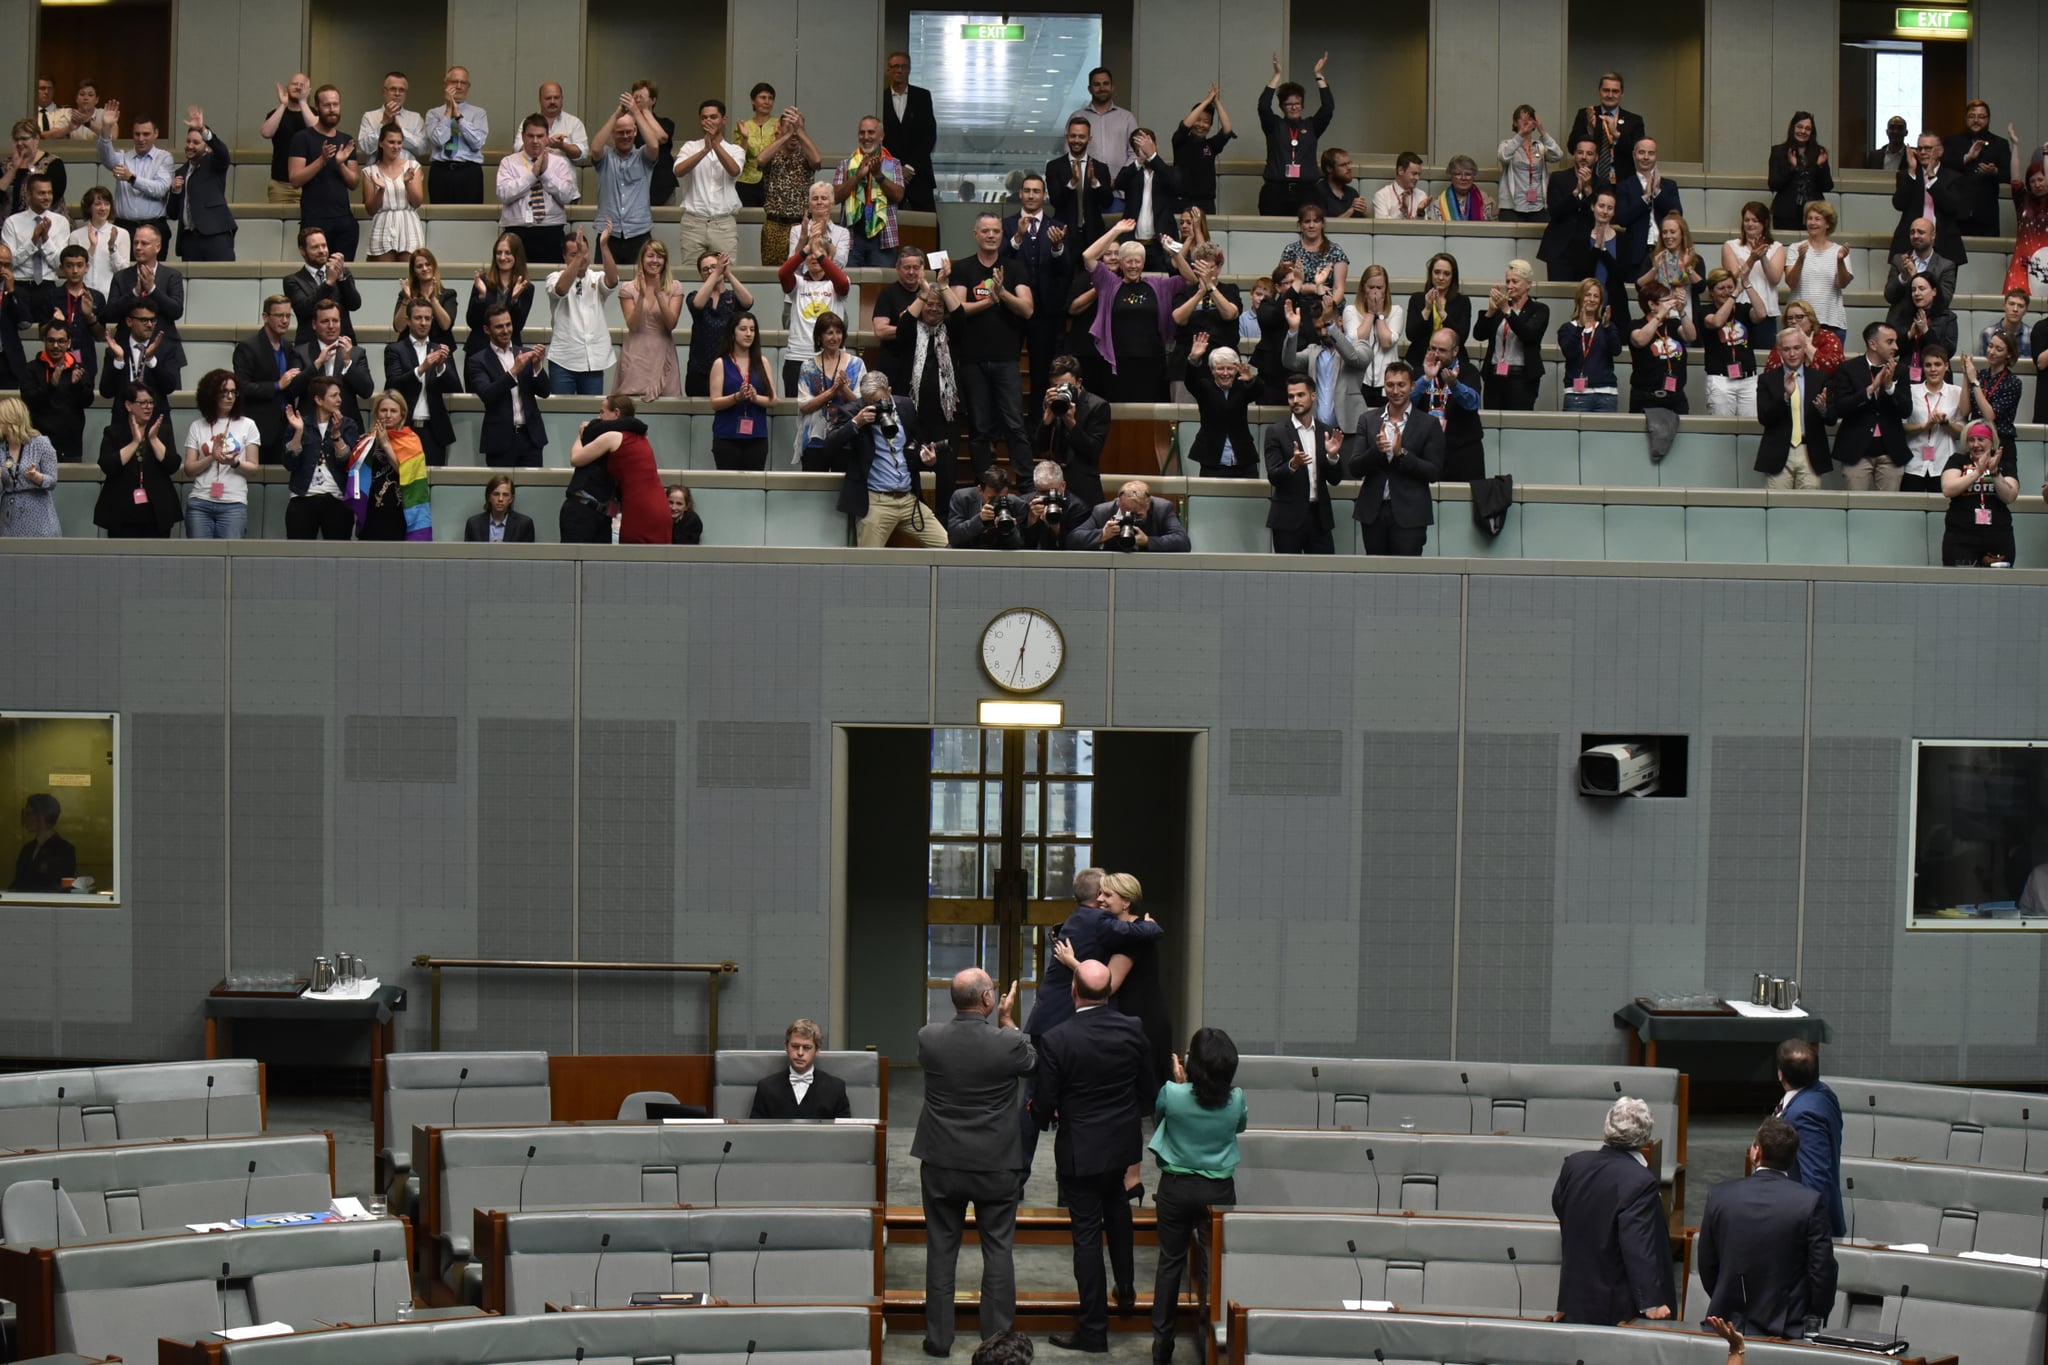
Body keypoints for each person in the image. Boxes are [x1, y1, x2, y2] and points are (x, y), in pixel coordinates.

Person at [1031, 958, 1156, 1355]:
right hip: (1120, 1145)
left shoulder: (1057, 1038)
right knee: (1118, 1211)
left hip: (1080, 1150)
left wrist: (1038, 1114)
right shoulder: (1133, 1029)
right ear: (1106, 993)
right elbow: (1148, 1090)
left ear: (1074, 991)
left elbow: (1045, 1102)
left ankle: (1093, 1330)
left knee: (1086, 1236)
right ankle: (1128, 1288)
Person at [914, 968, 1034, 1358]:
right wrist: (1008, 1021)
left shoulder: (928, 1038)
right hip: (996, 1164)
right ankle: (998, 1345)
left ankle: (938, 1340)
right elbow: (1030, 1062)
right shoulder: (1009, 1042)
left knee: (941, 1250)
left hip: (942, 1162)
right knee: (998, 1250)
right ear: (987, 1000)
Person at [1147, 1027, 1246, 1364]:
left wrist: (1179, 1083)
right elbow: (1240, 1127)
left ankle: (1162, 1344)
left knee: (1169, 1264)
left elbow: (1160, 1117)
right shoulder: (1237, 1099)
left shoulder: (1172, 1093)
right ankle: (1208, 1337)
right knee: (1212, 1267)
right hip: (1217, 1190)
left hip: (1175, 1187)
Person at [1697, 1116, 1837, 1339]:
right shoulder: (1810, 1203)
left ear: (1756, 1152)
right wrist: (1812, 1318)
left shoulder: (1720, 1196)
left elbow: (1707, 1264)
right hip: (1787, 1329)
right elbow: (1822, 1272)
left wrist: (1729, 1302)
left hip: (1726, 1326)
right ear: (1792, 1159)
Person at [1551, 1096, 1675, 1326]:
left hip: (1574, 1295)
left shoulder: (1574, 1165)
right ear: (1645, 1137)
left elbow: (1560, 1206)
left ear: (1607, 1127)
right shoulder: (1640, 1181)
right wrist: (1651, 1302)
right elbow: (1638, 1243)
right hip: (1614, 1309)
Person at [826, 370, 947, 548]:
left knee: (946, 546)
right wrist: (856, 423)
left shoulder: (905, 405)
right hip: (876, 502)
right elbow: (829, 445)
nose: (874, 407)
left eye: (878, 401)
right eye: (868, 402)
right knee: (869, 563)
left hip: (908, 500)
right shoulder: (853, 411)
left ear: (889, 391)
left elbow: (916, 443)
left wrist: (926, 460)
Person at [1345, 360, 1440, 556]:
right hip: (1373, 512)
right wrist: (1376, 451)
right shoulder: (1368, 420)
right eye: (1390, 385)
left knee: (1406, 577)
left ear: (1412, 386)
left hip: (1410, 513)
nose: (1395, 390)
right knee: (1375, 576)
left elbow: (1433, 472)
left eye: (1401, 385)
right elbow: (1354, 468)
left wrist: (1402, 454)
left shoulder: (1428, 424)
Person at [1080, 220, 1178, 403]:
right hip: (1118, 362)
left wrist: (1175, 254)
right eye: (1129, 261)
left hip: (1152, 361)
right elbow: (1088, 256)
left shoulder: (1157, 285)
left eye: (1137, 261)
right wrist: (1116, 230)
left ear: (1144, 263)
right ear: (1121, 263)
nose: (1133, 265)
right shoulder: (1109, 283)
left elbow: (1188, 279)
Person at [1000, 175, 1073, 413]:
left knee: (1042, 371)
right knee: (1007, 370)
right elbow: (997, 261)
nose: (1031, 195)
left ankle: (1040, 424)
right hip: (1011, 310)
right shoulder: (1007, 225)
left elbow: (1066, 269)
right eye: (1027, 191)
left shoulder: (1057, 226)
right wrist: (1017, 239)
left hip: (1045, 311)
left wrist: (1057, 247)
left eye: (1036, 191)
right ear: (1020, 194)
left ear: (1044, 196)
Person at [1261, 372, 1342, 554]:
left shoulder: (1327, 432)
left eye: (1300, 395)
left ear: (1313, 396)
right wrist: (1293, 464)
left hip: (1320, 518)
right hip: (1287, 519)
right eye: (1291, 396)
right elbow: (1274, 476)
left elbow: (1336, 480)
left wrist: (1332, 457)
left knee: (1324, 574)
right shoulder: (1276, 432)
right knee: (1287, 577)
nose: (1295, 400)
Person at [1772, 1040, 1846, 1236]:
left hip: (1807, 1231)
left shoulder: (1804, 1114)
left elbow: (1816, 1179)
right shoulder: (1823, 1093)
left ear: (1781, 1074)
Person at [464, 303, 549, 468]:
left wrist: (538, 367)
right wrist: (514, 371)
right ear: (487, 330)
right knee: (500, 492)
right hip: (500, 441)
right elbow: (487, 394)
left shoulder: (525, 353)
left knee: (531, 488)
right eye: (499, 327)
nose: (505, 330)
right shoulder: (477, 361)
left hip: (531, 438)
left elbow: (545, 392)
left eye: (508, 325)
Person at [1828, 322, 1909, 493]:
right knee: (1856, 507)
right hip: (1856, 452)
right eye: (1890, 342)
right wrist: (1871, 389)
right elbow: (1840, 407)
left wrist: (1889, 388)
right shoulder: (1848, 369)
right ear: (1873, 344)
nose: (1895, 346)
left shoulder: (1901, 371)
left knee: (1889, 507)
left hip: (1890, 452)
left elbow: (1906, 410)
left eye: (1895, 341)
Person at [780, 212, 853, 397]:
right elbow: (783, 273)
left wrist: (820, 254)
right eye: (810, 255)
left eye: (819, 255)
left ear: (827, 258)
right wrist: (805, 249)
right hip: (798, 356)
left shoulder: (836, 284)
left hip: (832, 356)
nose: (814, 257)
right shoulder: (798, 283)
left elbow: (843, 283)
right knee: (796, 411)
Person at [591, 93, 665, 272]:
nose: (625, 136)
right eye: (620, 132)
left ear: (635, 131)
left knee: (641, 284)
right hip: (608, 234)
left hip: (638, 232)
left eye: (629, 132)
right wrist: (616, 115)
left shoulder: (643, 157)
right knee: (603, 284)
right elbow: (595, 148)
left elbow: (655, 145)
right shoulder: (605, 157)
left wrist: (635, 112)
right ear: (613, 134)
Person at [180, 369, 258, 539]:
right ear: (211, 394)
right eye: (224, 392)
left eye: (233, 392)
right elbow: (189, 469)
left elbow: (253, 468)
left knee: (229, 560)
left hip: (233, 504)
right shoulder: (197, 426)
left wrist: (234, 463)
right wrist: (210, 458)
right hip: (200, 502)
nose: (230, 397)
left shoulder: (248, 425)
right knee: (200, 560)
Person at [288, 85, 362, 262]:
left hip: (344, 220)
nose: (332, 110)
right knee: (317, 276)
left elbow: (354, 183)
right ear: (317, 106)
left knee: (343, 275)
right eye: (327, 105)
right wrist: (322, 160)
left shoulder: (346, 140)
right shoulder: (302, 138)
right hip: (314, 220)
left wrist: (340, 164)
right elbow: (295, 179)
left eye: (335, 105)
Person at [96, 381, 178, 537]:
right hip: (122, 510)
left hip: (156, 510)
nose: (148, 407)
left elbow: (172, 465)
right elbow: (108, 465)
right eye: (142, 403)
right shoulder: (114, 432)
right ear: (128, 405)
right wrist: (135, 442)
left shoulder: (162, 431)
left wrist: (153, 439)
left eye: (151, 403)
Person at [1281, 293, 1369, 437]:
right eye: (1318, 328)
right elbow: (1289, 362)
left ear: (1340, 321)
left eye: (1326, 325)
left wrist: (1331, 327)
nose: (1323, 332)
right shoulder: (1314, 351)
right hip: (1318, 431)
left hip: (1350, 430)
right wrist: (1293, 331)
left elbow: (1353, 358)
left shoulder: (1359, 345)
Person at [1755, 328, 1833, 490]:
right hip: (1779, 452)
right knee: (1777, 507)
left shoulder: (1820, 379)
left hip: (1810, 453)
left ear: (1805, 348)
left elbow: (1831, 419)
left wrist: (1823, 409)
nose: (1792, 354)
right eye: (1786, 349)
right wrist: (1784, 397)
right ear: (1779, 351)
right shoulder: (1767, 380)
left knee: (1810, 508)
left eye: (1797, 348)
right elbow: (1764, 417)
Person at [384, 298, 459, 468]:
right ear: (408, 321)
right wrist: (422, 368)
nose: (423, 323)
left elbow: (456, 387)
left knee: (431, 483)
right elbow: (393, 384)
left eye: (427, 318)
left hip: (434, 431)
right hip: (404, 427)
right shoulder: (395, 350)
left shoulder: (441, 349)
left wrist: (441, 368)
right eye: (418, 318)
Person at [1256, 52, 1333, 217]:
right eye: (1288, 104)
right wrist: (1277, 75)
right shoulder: (1274, 125)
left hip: (1307, 192)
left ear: (1302, 105)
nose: (1293, 107)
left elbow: (1328, 108)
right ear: (1282, 107)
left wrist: (1319, 75)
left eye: (1297, 103)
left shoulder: (1311, 126)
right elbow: (1263, 106)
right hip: (1276, 191)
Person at [543, 228, 618, 395]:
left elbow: (612, 281)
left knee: (592, 414)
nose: (582, 257)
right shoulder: (554, 277)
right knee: (562, 410)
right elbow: (561, 289)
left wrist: (604, 246)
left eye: (584, 252)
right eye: (574, 253)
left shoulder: (596, 277)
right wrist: (578, 257)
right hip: (563, 360)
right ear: (564, 257)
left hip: (594, 360)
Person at [280, 376, 356, 539]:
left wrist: (336, 435)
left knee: (338, 556)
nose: (339, 400)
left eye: (339, 395)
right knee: (298, 554)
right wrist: (299, 432)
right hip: (303, 496)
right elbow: (289, 463)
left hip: (337, 497)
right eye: (333, 396)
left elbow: (347, 462)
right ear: (319, 400)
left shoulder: (348, 425)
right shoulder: (300, 423)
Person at [497, 114, 578, 266]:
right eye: (530, 136)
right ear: (523, 137)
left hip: (551, 230)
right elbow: (503, 194)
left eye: (540, 136)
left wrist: (545, 174)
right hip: (517, 230)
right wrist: (532, 175)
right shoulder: (509, 162)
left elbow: (568, 196)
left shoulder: (559, 163)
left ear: (547, 137)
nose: (535, 141)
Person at [672, 99, 744, 266]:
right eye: (704, 118)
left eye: (713, 117)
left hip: (723, 224)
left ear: (723, 120)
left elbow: (734, 170)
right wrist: (705, 149)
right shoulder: (690, 147)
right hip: (693, 223)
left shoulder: (735, 150)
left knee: (726, 274)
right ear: (700, 120)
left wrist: (714, 144)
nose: (709, 121)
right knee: (691, 274)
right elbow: (678, 170)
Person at [232, 294, 301, 463]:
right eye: (279, 315)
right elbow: (242, 388)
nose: (285, 320)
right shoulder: (248, 348)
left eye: (288, 316)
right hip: (259, 428)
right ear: (265, 317)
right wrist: (277, 385)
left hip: (285, 427)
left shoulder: (288, 347)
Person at [1035, 356, 1110, 509]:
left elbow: (1093, 451)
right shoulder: (1050, 402)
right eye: (1056, 387)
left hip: (1084, 487)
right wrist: (1047, 420)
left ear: (1079, 383)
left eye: (1066, 386)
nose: (1061, 391)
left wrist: (1071, 423)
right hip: (1054, 485)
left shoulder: (1098, 406)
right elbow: (1039, 447)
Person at [95, 102, 173, 248]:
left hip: (154, 226)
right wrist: (106, 127)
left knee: (153, 271)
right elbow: (105, 158)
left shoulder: (164, 157)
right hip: (125, 226)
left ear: (156, 133)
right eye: (137, 134)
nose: (141, 138)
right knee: (124, 269)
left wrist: (132, 178)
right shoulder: (123, 158)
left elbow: (161, 189)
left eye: (146, 134)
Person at [832, 116, 905, 269]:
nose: (866, 137)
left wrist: (878, 175)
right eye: (862, 133)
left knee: (879, 288)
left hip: (882, 240)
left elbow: (898, 196)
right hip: (852, 239)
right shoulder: (846, 164)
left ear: (881, 136)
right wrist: (857, 177)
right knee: (849, 286)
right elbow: (835, 197)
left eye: (871, 132)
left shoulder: (893, 164)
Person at [290, 297, 375, 430]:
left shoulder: (356, 353)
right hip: (309, 430)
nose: (331, 326)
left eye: (335, 321)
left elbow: (367, 391)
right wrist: (317, 364)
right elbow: (292, 390)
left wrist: (348, 362)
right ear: (314, 324)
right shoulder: (300, 352)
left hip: (347, 429)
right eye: (325, 321)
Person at [1943, 421, 2018, 567]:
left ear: (1991, 442)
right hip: (1961, 537)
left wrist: (1995, 472)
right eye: (1971, 440)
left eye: (1981, 439)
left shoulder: (2004, 464)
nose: (1976, 445)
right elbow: (1948, 489)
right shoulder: (1957, 461)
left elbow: (2010, 496)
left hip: (1997, 536)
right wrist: (1978, 471)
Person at [744, 1017, 851, 1119]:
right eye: (795, 1046)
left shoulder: (836, 1088)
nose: (800, 1053)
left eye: (807, 1048)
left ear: (817, 1050)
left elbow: (845, 1133)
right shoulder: (766, 1088)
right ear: (786, 1046)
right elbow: (756, 1132)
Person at [616, 241, 682, 403]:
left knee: (667, 404)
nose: (655, 260)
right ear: (642, 259)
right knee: (630, 405)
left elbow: (671, 324)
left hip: (662, 352)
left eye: (660, 257)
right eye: (650, 256)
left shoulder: (674, 287)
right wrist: (642, 297)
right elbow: (633, 325)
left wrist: (659, 294)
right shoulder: (628, 288)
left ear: (665, 261)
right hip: (636, 352)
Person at [347, 391, 418, 541]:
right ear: (376, 413)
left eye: (393, 411)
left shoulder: (411, 440)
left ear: (402, 414)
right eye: (383, 410)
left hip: (401, 513)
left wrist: (386, 444)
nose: (388, 415)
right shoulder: (365, 442)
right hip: (371, 513)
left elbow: (406, 473)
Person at [795, 310, 861, 471]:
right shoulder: (808, 366)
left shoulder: (856, 363)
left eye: (838, 332)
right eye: (829, 333)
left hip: (846, 439)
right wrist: (832, 391)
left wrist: (844, 389)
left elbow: (861, 404)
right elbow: (804, 406)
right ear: (819, 337)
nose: (834, 337)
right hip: (815, 440)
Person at [1183, 335, 1257, 479]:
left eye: (1230, 368)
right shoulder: (1205, 388)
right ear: (1212, 371)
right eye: (1220, 368)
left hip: (1244, 460)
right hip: (1212, 460)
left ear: (1236, 370)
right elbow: (1190, 381)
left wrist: (1252, 380)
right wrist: (1193, 358)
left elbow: (1259, 392)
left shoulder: (1242, 387)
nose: (1225, 373)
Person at [757, 105, 823, 267]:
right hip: (774, 225)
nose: (793, 133)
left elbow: (817, 161)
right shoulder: (773, 153)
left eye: (798, 127)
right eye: (789, 126)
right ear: (778, 127)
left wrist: (799, 131)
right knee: (773, 273)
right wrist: (785, 136)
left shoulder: (805, 153)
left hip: (801, 225)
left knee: (801, 270)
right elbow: (760, 160)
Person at [1416, 326, 1485, 481]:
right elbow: (1406, 402)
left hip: (1463, 450)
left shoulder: (1468, 371)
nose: (1436, 354)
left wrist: (1455, 385)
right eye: (1432, 348)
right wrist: (1426, 379)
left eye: (1442, 350)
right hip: (1427, 448)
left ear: (1455, 351)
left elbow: (1472, 403)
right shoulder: (1421, 372)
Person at [1892, 132, 1970, 267]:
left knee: (1942, 288)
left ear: (1940, 151)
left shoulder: (1954, 177)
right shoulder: (1907, 175)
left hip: (1944, 244)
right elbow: (1899, 204)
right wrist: (1911, 171)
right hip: (1910, 243)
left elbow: (1954, 208)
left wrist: (1932, 178)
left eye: (1928, 148)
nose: (1922, 152)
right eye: (1919, 148)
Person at [1479, 261, 1549, 410]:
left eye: (1515, 281)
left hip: (1521, 379)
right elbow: (1479, 334)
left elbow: (1528, 335)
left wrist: (1506, 310)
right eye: (1507, 281)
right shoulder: (1499, 309)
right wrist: (1490, 311)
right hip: (1494, 376)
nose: (1509, 286)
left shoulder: (1539, 309)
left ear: (1528, 284)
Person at [708, 310, 773, 470]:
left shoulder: (762, 362)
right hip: (727, 436)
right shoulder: (720, 363)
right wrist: (737, 397)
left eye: (752, 329)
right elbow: (715, 402)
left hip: (757, 436)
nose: (748, 334)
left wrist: (754, 397)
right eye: (743, 329)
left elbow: (773, 400)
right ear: (732, 333)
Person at [171, 107, 236, 263]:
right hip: (189, 240)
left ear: (206, 146)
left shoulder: (214, 162)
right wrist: (175, 192)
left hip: (216, 235)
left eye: (196, 142)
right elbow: (172, 214)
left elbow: (223, 153)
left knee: (222, 281)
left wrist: (203, 129)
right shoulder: (180, 171)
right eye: (188, 141)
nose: (190, 146)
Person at [684, 250, 752, 397]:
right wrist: (716, 274)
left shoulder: (733, 297)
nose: (710, 271)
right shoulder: (695, 296)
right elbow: (697, 305)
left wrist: (728, 274)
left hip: (729, 368)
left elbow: (748, 302)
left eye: (714, 266)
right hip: (699, 370)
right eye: (705, 269)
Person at [1785, 202, 1853, 344]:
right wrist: (1801, 259)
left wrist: (1840, 260)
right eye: (1809, 218)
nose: (1812, 222)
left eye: (1817, 219)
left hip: (1831, 321)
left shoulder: (1839, 251)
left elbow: (1843, 283)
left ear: (1828, 224)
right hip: (1799, 322)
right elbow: (1791, 282)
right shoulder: (1795, 248)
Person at [22, 321, 91, 461]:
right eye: (51, 341)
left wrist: (77, 385)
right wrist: (51, 385)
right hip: (38, 444)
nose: (55, 346)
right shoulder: (32, 369)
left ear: (69, 343)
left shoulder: (78, 369)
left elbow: (88, 401)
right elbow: (28, 400)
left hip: (71, 446)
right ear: (44, 341)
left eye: (61, 341)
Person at [1615, 139, 1682, 284]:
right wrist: (1645, 198)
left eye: (1650, 153)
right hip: (1636, 253)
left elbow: (1677, 214)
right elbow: (1622, 218)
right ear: (1634, 155)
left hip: (1665, 249)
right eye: (1641, 152)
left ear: (1656, 156)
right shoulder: (1624, 186)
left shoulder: (1669, 185)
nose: (1646, 157)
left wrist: (1657, 192)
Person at [1720, 202, 1784, 353]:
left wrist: (1762, 257)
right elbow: (1731, 280)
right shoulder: (1730, 245)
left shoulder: (1777, 247)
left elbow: (1775, 279)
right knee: (1737, 357)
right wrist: (1752, 258)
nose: (1750, 224)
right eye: (1747, 220)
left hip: (1766, 312)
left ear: (1764, 223)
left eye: (1755, 220)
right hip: (1738, 310)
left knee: (1764, 359)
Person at [1901, 341, 1964, 494]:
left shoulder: (1957, 392)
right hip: (1914, 463)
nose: (1933, 369)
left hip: (1944, 464)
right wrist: (1924, 426)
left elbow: (1963, 432)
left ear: (1946, 366)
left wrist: (1946, 422)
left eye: (1938, 364)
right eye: (1928, 365)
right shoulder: (1911, 391)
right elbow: (1901, 426)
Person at [1112, 129, 1180, 268]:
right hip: (1133, 244)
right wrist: (1139, 161)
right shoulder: (1132, 173)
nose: (1144, 149)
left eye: (1147, 144)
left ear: (1156, 145)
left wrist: (1153, 156)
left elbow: (1175, 185)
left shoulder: (1167, 171)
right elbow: (1119, 183)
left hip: (1161, 245)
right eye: (1139, 147)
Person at [881, 53, 939, 217]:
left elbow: (929, 136)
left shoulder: (922, 97)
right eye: (895, 67)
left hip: (918, 173)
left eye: (903, 66)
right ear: (888, 70)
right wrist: (896, 169)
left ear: (909, 69)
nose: (899, 70)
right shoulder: (880, 98)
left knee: (929, 223)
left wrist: (910, 167)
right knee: (887, 222)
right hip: (888, 174)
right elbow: (878, 139)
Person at [3, 172, 66, 317]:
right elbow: (9, 263)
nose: (47, 197)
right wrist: (32, 241)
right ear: (29, 194)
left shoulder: (61, 222)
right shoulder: (12, 222)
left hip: (48, 285)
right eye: (41, 193)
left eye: (49, 193)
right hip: (19, 285)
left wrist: (45, 240)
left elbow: (59, 264)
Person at [422, 67, 488, 206]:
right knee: (440, 218)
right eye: (454, 82)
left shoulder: (478, 113)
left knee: (471, 218)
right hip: (441, 172)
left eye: (463, 83)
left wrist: (459, 117)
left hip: (469, 172)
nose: (459, 86)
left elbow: (477, 143)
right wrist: (448, 111)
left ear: (468, 87)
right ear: (445, 84)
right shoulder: (433, 113)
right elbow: (439, 140)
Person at [1629, 280, 1697, 416]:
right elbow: (1641, 340)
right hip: (1646, 397)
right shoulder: (1636, 324)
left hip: (1675, 397)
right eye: (1666, 301)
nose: (1670, 305)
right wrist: (1659, 315)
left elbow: (1691, 336)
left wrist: (1682, 311)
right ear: (1652, 304)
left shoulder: (1673, 323)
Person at [1700, 269, 1762, 418]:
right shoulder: (1704, 310)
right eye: (1721, 288)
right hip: (1721, 379)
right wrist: (1734, 296)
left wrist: (1747, 285)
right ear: (1711, 292)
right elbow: (1717, 322)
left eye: (1730, 287)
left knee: (1750, 427)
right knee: (1721, 427)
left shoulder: (1744, 309)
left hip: (1748, 379)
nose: (1726, 292)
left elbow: (1761, 314)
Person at [1065, 479, 1189, 552]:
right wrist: (1102, 534)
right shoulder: (1103, 511)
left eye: (1137, 515)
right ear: (1119, 502)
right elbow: (1072, 540)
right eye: (1126, 513)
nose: (1131, 518)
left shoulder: (1162, 509)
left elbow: (1182, 542)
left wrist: (1148, 541)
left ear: (1148, 505)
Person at [1557, 279, 1624, 413]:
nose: (1592, 299)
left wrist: (1606, 327)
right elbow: (1569, 353)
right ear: (1580, 297)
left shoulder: (1607, 327)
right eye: (1588, 295)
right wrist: (1579, 328)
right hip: (1576, 395)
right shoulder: (1567, 329)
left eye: (1596, 296)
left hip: (1606, 395)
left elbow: (1616, 351)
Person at [1566, 72, 1645, 183]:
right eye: (1606, 90)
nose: (1610, 95)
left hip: (1622, 182)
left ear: (1622, 94)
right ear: (1599, 92)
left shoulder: (1634, 120)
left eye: (1615, 91)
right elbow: (1571, 147)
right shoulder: (1585, 114)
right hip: (1589, 180)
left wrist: (1616, 135)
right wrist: (1589, 128)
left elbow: (1638, 154)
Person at [1947, 100, 2010, 238]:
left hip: (1986, 215)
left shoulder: (2000, 144)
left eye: (1981, 117)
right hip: (1956, 213)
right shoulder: (1952, 142)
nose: (1976, 120)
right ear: (1966, 119)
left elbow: (2009, 175)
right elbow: (1943, 168)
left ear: (1988, 119)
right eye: (1972, 116)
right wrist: (1966, 159)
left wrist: (1994, 172)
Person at [1046, 119, 1114, 247]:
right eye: (1073, 136)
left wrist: (1094, 182)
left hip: (1094, 234)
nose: (1076, 140)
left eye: (1082, 136)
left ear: (1089, 139)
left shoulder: (1100, 168)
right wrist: (1072, 183)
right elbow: (1056, 202)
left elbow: (1107, 202)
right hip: (1064, 233)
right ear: (1067, 137)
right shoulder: (1054, 166)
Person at [286, 226, 360, 344]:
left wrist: (341, 279)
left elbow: (355, 304)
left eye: (324, 245)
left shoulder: (343, 273)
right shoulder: (293, 281)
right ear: (302, 250)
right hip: (309, 348)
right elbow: (303, 310)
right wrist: (329, 283)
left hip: (343, 343)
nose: (322, 251)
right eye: (315, 247)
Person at [362, 122, 424, 262]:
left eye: (399, 142)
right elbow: (370, 209)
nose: (396, 147)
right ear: (381, 143)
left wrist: (407, 183)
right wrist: (381, 190)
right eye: (391, 142)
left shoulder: (412, 166)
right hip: (382, 225)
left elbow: (417, 202)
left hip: (409, 224)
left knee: (410, 275)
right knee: (382, 276)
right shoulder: (370, 171)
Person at [1539, 138, 1600, 280]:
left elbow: (1601, 215)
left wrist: (1588, 190)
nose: (1584, 157)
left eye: (1589, 153)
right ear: (1574, 154)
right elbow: (1554, 212)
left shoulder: (1603, 183)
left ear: (1596, 157)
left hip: (1588, 250)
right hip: (1559, 250)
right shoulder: (1558, 178)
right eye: (1580, 152)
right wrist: (1576, 191)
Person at [0, 397, 59, 538]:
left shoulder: (41, 443)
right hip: (9, 513)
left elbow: (52, 481)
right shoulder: (1, 448)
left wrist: (36, 477)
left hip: (38, 512)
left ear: (10, 420)